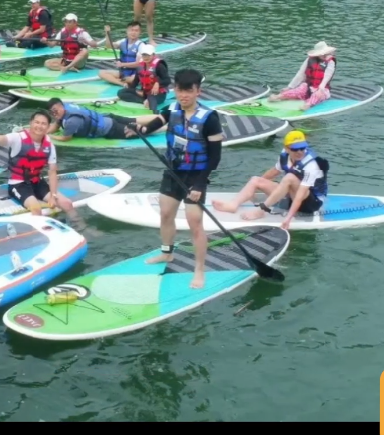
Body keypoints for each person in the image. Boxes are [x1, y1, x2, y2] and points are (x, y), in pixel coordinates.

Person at [127, 69, 223, 290]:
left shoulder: (210, 118)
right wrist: (141, 129)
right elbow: (157, 121)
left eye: (188, 91)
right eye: (180, 90)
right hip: (173, 171)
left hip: (195, 176)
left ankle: (199, 270)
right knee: (166, 214)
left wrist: (200, 184)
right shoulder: (172, 108)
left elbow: (215, 156)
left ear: (198, 91)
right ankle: (167, 253)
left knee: (194, 224)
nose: (183, 95)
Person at [212, 131, 329, 230]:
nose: (300, 152)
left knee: (289, 177)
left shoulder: (311, 165)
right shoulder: (284, 155)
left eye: (302, 148)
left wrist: (288, 219)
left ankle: (261, 210)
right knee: (255, 180)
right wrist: (255, 188)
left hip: (310, 203)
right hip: (292, 195)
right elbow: (274, 171)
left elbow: (300, 196)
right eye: (295, 149)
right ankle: (232, 205)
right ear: (287, 148)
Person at [0, 111, 81, 224]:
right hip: (18, 184)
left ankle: (80, 226)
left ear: (48, 127)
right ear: (31, 123)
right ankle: (41, 231)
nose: (39, 126)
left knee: (67, 203)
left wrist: (53, 196)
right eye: (37, 122)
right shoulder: (17, 138)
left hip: (37, 182)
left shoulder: (49, 144)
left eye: (43, 124)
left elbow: (52, 172)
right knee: (36, 209)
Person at [268, 41, 335, 110]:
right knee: (300, 89)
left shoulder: (330, 62)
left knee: (317, 95)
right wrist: (289, 87)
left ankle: (308, 104)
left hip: (322, 88)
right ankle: (278, 97)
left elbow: (327, 77)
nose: (323, 55)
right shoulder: (309, 59)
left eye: (324, 53)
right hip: (309, 86)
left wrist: (320, 89)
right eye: (321, 53)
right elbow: (300, 74)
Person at [45, 98, 139, 142]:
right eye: (52, 112)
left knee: (140, 132)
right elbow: (56, 125)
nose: (54, 114)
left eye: (55, 111)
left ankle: (148, 129)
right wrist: (45, 132)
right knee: (135, 120)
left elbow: (66, 138)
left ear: (61, 107)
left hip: (110, 129)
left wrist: (51, 137)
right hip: (106, 117)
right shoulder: (66, 107)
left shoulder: (71, 121)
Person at [117, 43, 171, 112]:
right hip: (145, 92)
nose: (146, 57)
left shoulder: (159, 66)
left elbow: (167, 80)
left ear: (153, 55)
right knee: (121, 92)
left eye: (148, 55)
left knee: (151, 97)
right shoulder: (140, 66)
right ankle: (144, 101)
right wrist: (130, 89)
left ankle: (153, 111)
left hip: (157, 94)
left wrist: (158, 83)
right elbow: (136, 81)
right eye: (144, 55)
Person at [96, 21, 145, 87]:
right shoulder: (123, 41)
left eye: (136, 31)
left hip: (134, 72)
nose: (133, 33)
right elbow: (109, 46)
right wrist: (107, 33)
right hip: (123, 72)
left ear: (140, 32)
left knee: (133, 79)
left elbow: (138, 64)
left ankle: (118, 80)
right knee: (101, 73)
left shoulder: (141, 45)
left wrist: (122, 64)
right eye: (131, 30)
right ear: (127, 31)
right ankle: (122, 83)